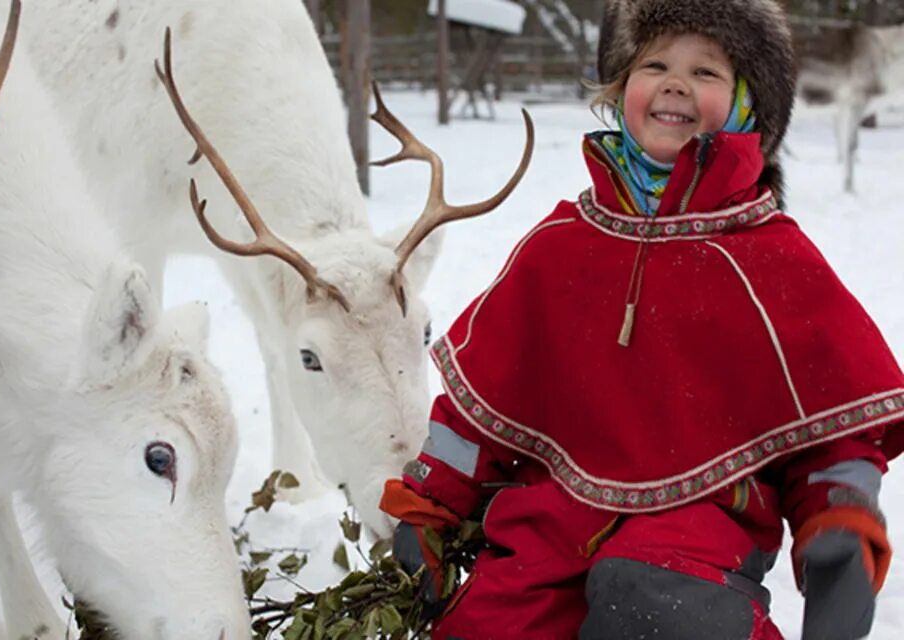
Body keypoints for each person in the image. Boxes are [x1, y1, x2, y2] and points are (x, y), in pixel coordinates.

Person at [380, 1, 904, 639]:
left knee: (650, 597)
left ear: (749, 108)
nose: (676, 82)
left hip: (697, 535)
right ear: (621, 88)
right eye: (654, 63)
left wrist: (841, 528)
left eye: (707, 72)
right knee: (491, 624)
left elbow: (829, 428)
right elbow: (480, 411)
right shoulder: (562, 246)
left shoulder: (767, 257)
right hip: (549, 527)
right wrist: (430, 505)